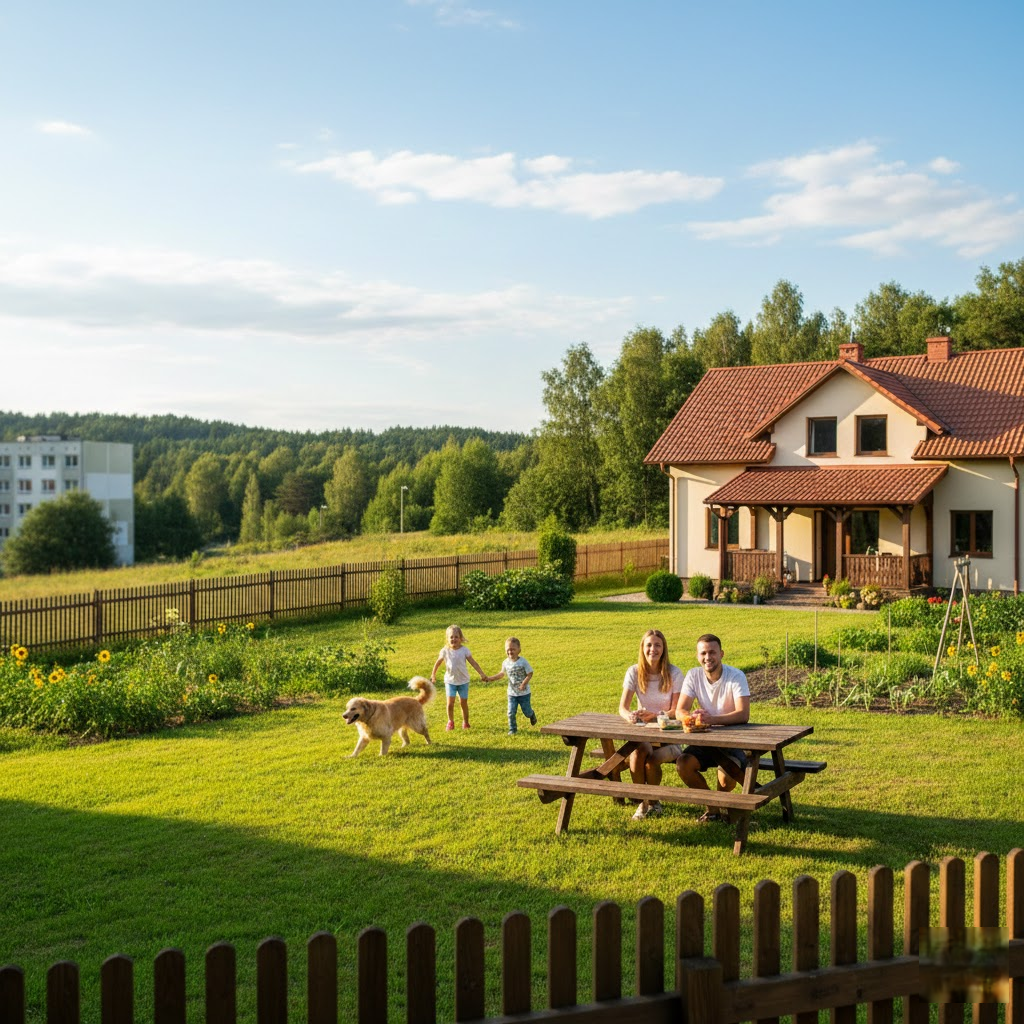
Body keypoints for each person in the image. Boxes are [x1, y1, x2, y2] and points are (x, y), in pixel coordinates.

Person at [674, 633, 750, 822]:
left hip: (732, 741)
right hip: (705, 740)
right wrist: (690, 718)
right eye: (703, 653)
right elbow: (680, 710)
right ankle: (714, 809)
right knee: (683, 764)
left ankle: (729, 809)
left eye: (712, 652)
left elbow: (743, 714)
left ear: (721, 654)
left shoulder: (736, 676)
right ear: (698, 656)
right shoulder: (693, 675)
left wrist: (712, 719)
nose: (708, 657)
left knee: (726, 778)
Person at [618, 628, 684, 821]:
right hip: (645, 733)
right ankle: (644, 802)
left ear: (664, 649)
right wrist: (630, 716)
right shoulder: (634, 671)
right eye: (649, 645)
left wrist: (654, 715)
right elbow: (622, 707)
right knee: (636, 753)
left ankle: (652, 803)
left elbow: (677, 711)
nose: (652, 649)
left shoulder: (674, 673)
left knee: (652, 759)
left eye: (657, 645)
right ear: (642, 648)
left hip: (670, 738)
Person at [430, 624, 488, 731]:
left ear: (460, 638)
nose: (454, 639)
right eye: (451, 637)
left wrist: (482, 674)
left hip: (463, 681)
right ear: (447, 639)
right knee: (450, 703)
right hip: (450, 681)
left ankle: (465, 722)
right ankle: (450, 722)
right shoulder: (445, 651)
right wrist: (433, 675)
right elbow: (437, 663)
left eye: (456, 637)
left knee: (463, 703)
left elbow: (473, 663)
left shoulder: (464, 650)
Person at [486, 635, 536, 735]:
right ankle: (512, 729)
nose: (510, 652)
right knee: (510, 712)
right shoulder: (505, 662)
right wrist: (490, 678)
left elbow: (530, 673)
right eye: (508, 650)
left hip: (524, 693)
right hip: (512, 694)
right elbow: (501, 674)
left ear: (519, 650)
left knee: (527, 712)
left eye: (513, 649)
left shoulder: (523, 662)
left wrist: (523, 684)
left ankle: (532, 714)